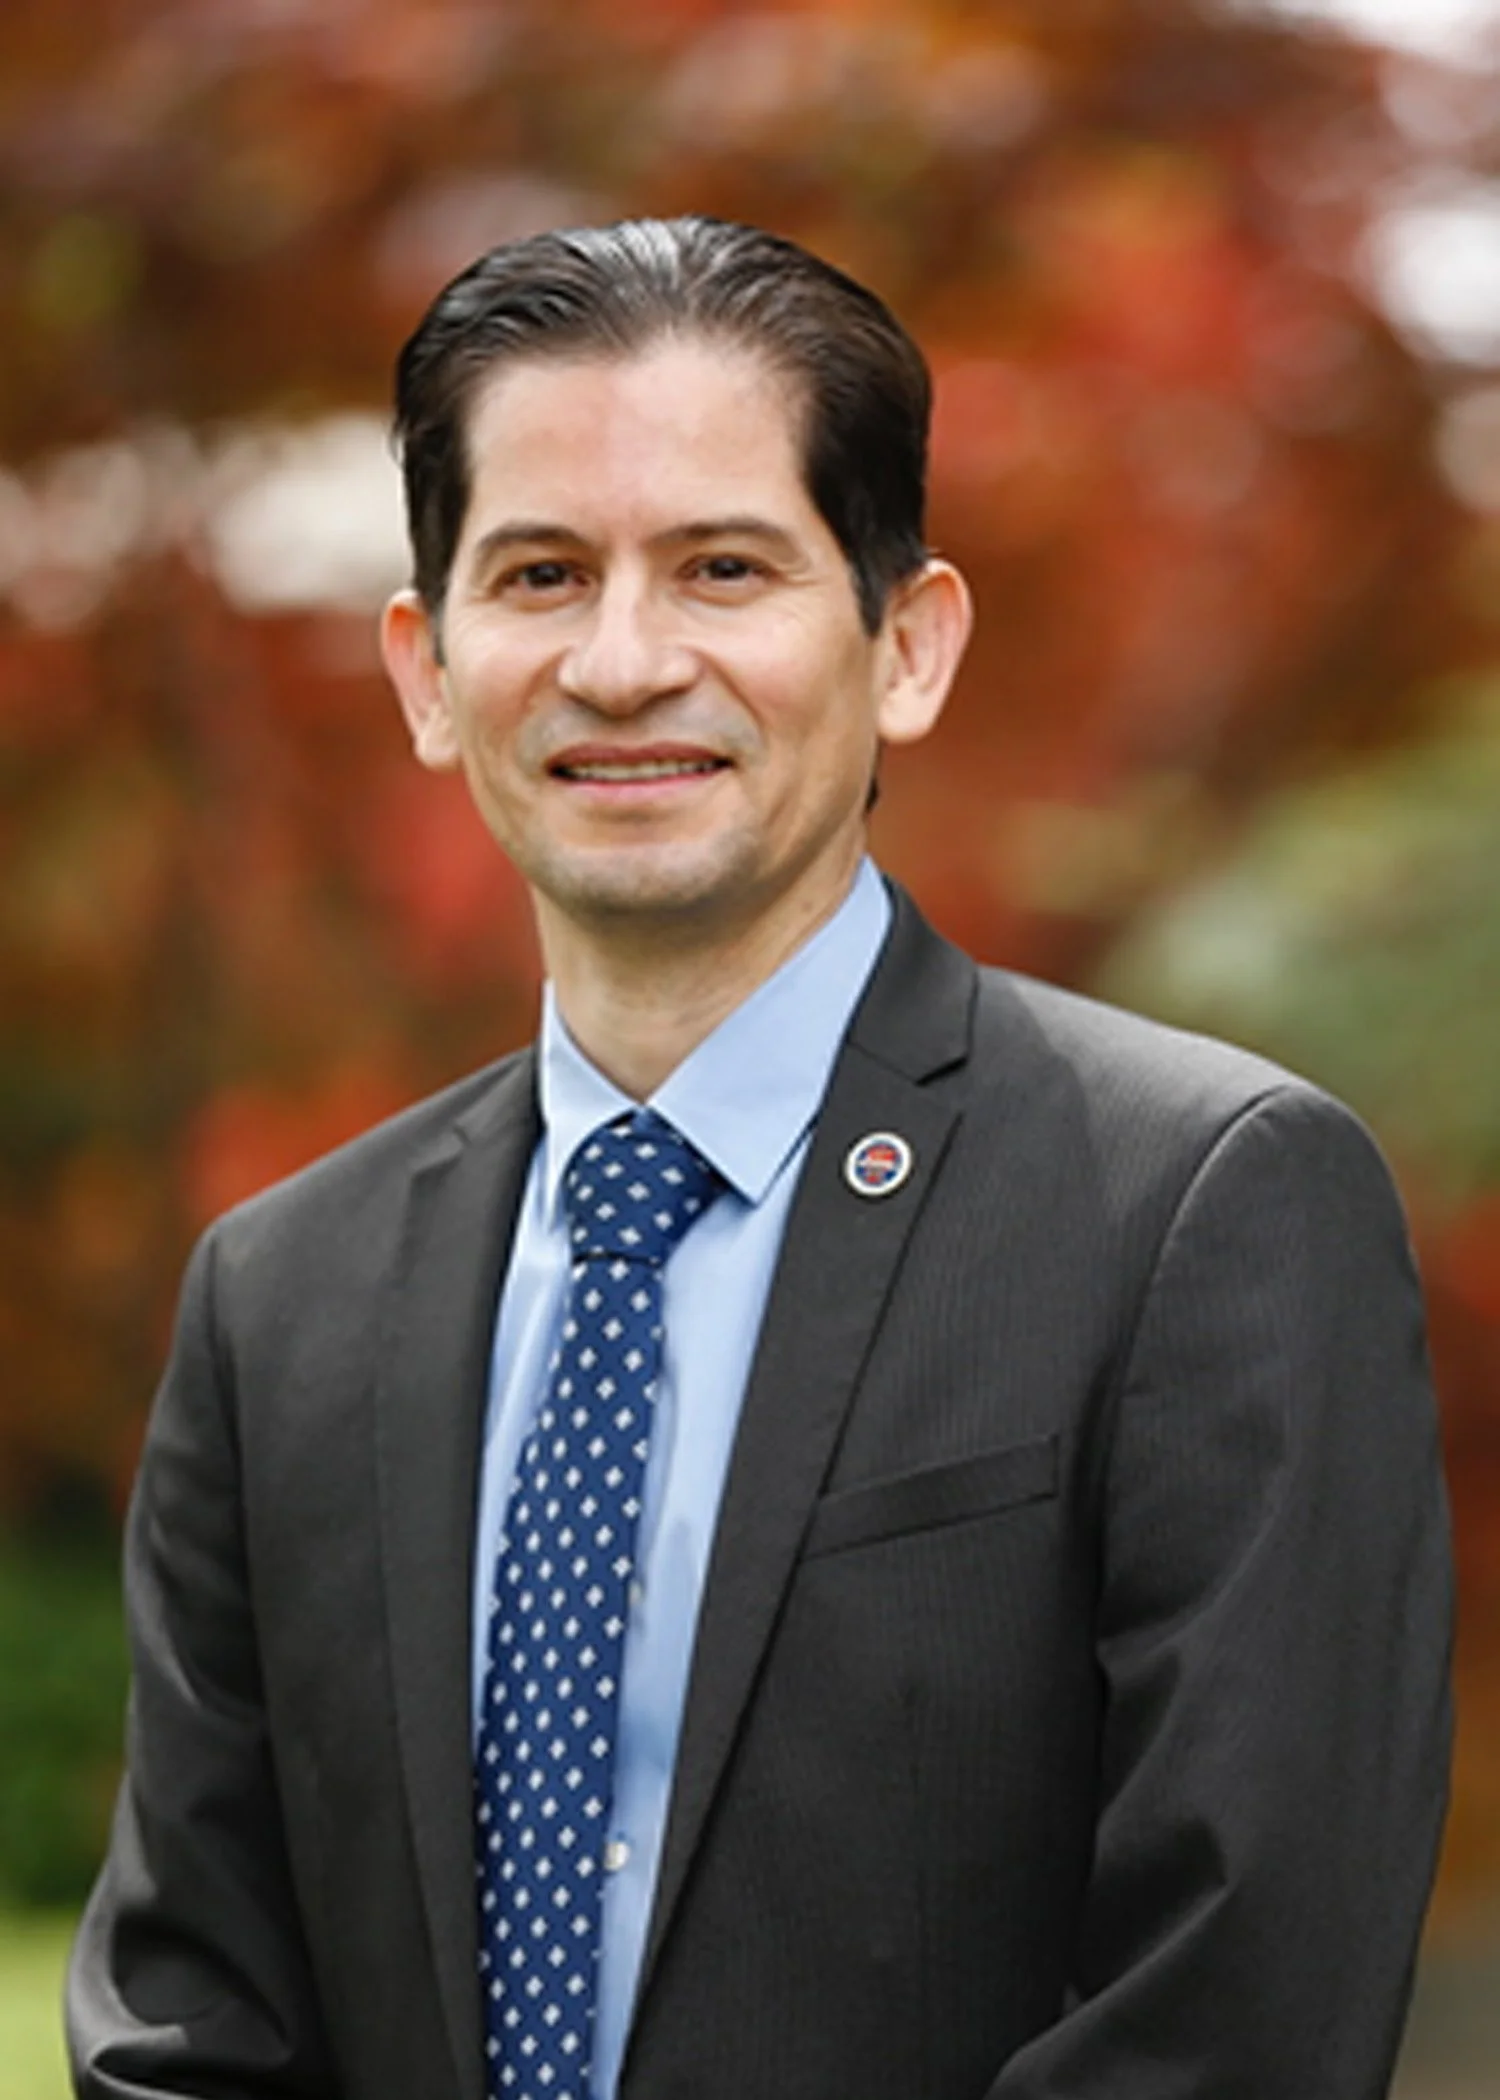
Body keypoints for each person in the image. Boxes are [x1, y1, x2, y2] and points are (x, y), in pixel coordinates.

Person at [67, 216, 1451, 2100]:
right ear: (426, 668)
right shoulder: (282, 1295)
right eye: (541, 575)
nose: (624, 662)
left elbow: (1242, 2016)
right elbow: (188, 2021)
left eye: (724, 567)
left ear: (908, 644)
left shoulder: (1200, 1206)